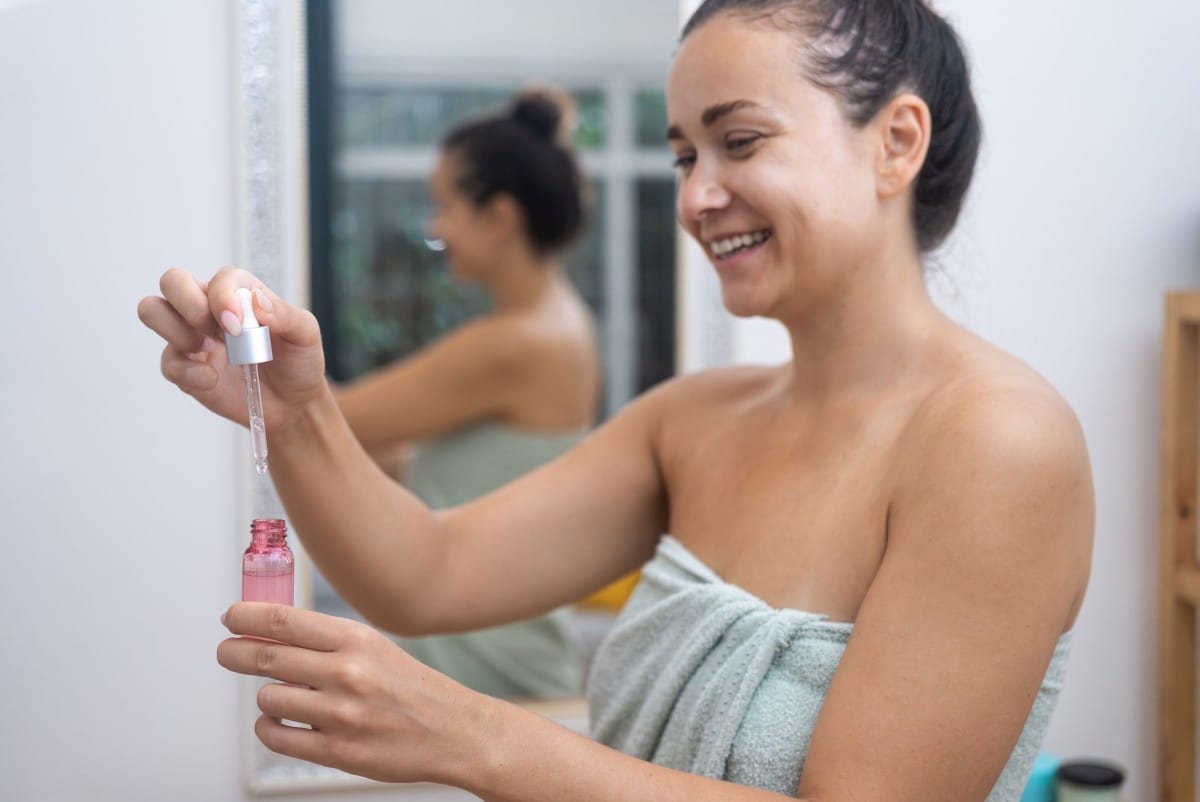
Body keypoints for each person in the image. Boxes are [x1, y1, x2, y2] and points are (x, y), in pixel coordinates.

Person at [137, 1, 1094, 799]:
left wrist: (476, 737)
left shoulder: (998, 442)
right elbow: (424, 572)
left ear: (896, 143)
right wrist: (299, 412)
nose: (698, 196)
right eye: (684, 157)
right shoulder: (696, 418)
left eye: (740, 141)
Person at [328, 88, 602, 699]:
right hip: (488, 672)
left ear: (500, 216)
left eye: (443, 205)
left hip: (496, 683)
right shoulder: (557, 324)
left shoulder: (520, 342)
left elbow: (329, 418)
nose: (434, 227)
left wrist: (259, 339)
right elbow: (455, 474)